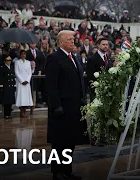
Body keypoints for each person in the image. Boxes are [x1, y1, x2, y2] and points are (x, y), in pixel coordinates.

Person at [45, 30, 89, 180]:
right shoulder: (54, 58)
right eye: (69, 39)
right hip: (61, 108)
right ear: (61, 42)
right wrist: (56, 105)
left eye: (73, 39)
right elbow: (51, 85)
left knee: (70, 141)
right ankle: (58, 172)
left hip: (74, 107)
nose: (73, 41)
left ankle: (67, 170)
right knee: (60, 142)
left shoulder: (74, 58)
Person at [14, 50, 33, 118]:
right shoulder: (17, 62)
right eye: (22, 54)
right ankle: (21, 111)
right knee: (21, 97)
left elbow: (30, 72)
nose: (23, 55)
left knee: (26, 97)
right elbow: (16, 72)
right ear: (20, 55)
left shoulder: (28, 62)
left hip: (27, 82)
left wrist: (27, 80)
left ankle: (25, 111)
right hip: (20, 82)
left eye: (24, 54)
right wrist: (22, 81)